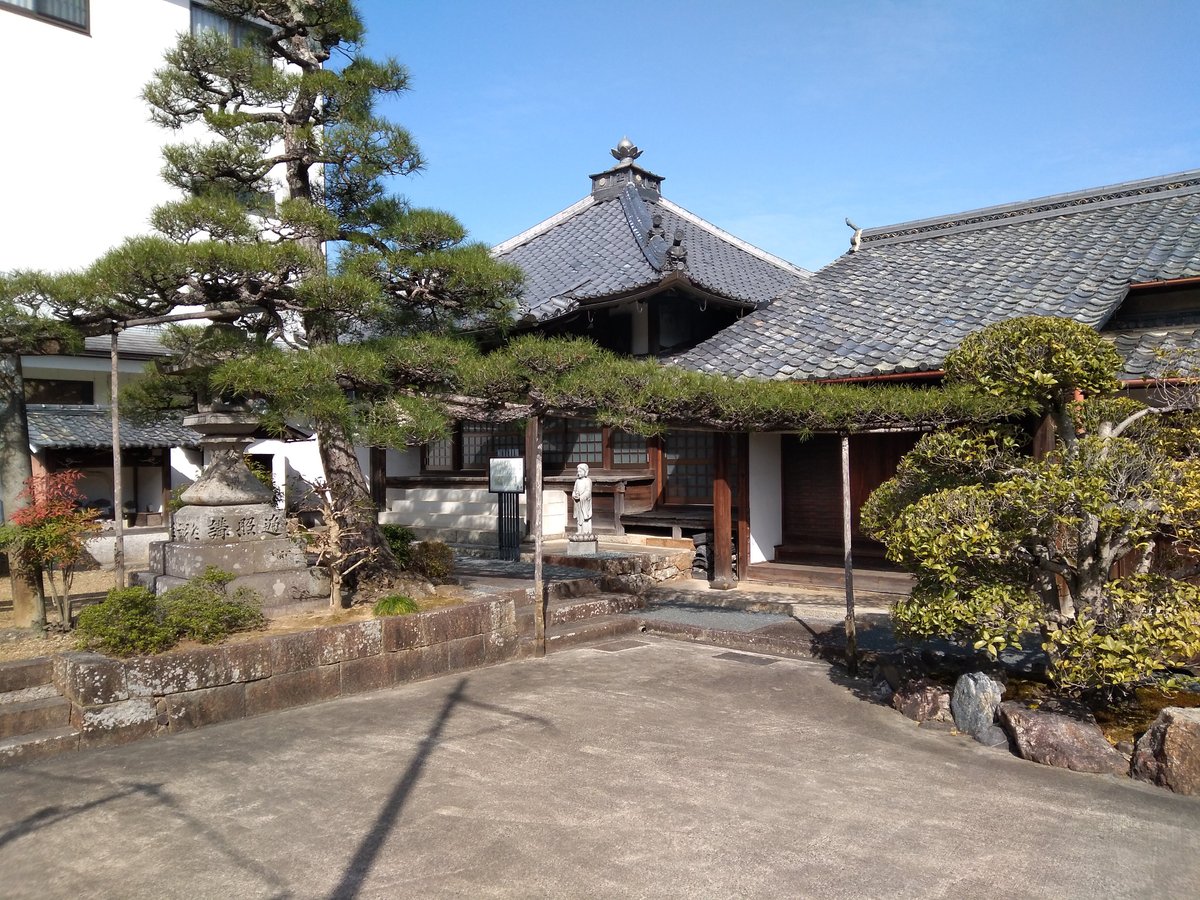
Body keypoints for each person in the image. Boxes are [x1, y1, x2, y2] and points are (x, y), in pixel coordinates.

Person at [571, 463, 593, 535]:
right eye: (578, 471)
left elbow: (588, 492)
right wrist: (574, 495)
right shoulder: (577, 481)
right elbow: (574, 490)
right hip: (578, 502)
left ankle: (586, 531)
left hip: (585, 502)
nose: (579, 473)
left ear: (585, 472)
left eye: (580, 471)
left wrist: (581, 497)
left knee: (585, 516)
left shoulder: (588, 481)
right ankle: (579, 531)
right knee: (578, 517)